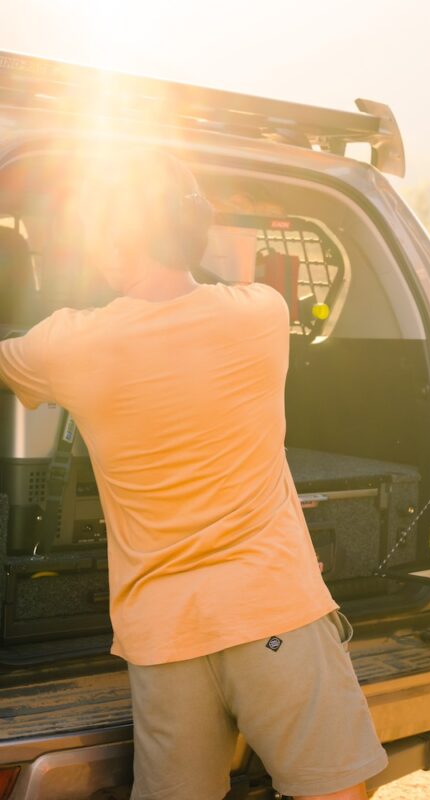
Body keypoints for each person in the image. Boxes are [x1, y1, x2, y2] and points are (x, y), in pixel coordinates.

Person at [0, 150, 387, 800]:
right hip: (272, 612)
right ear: (191, 230)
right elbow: (222, 277)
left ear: (114, 241)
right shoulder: (261, 313)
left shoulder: (68, 343)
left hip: (163, 636)